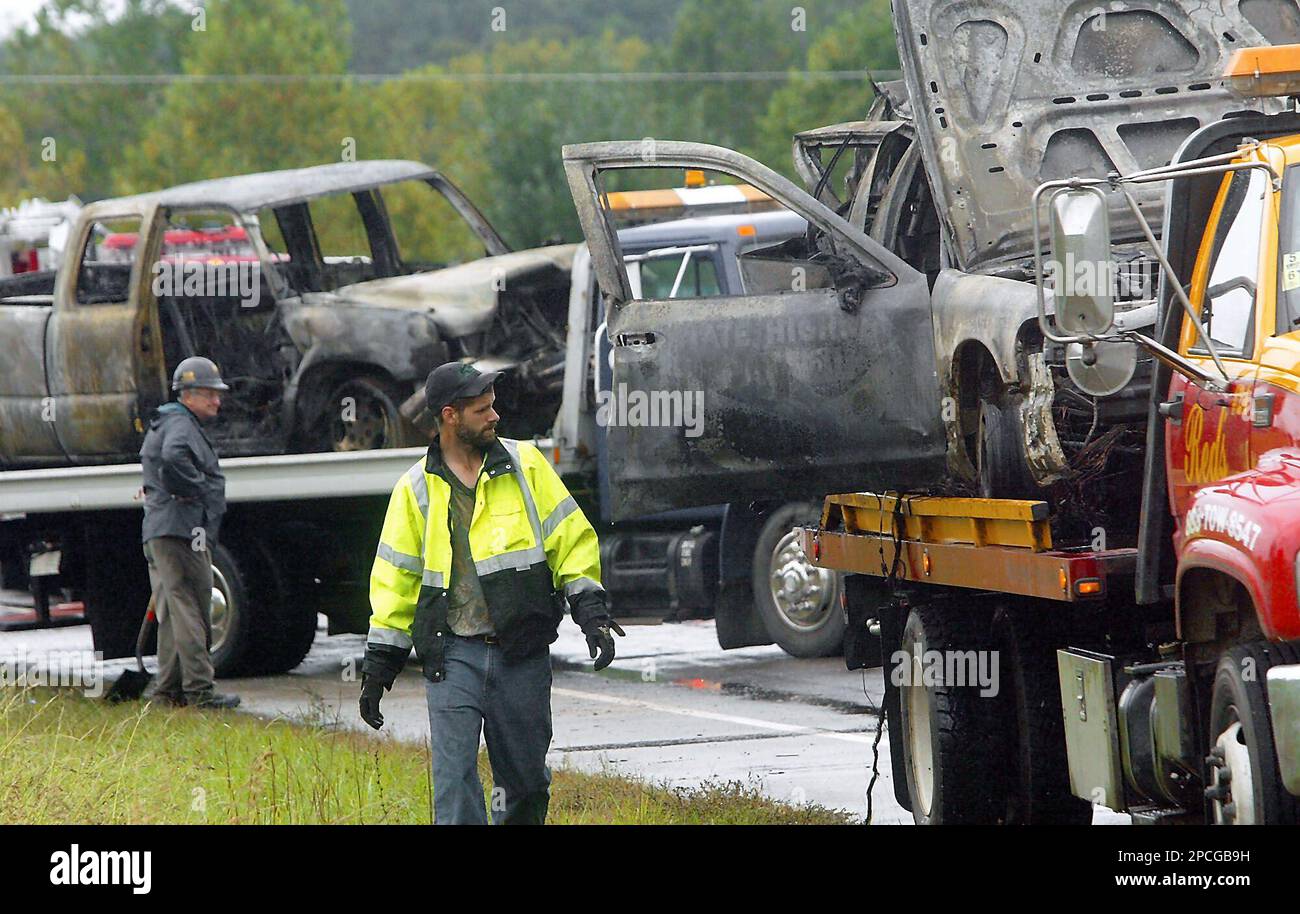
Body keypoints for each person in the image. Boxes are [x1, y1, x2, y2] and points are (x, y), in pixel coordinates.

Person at [360, 361, 624, 824]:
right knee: (455, 778)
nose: (494, 416)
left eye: (493, 406)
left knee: (525, 784)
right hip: (453, 655)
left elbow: (571, 539)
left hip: (520, 652)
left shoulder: (527, 466)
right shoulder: (415, 490)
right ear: (450, 416)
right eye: (482, 410)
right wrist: (379, 667)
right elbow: (395, 581)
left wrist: (592, 611)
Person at [139, 356, 240, 710]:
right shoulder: (180, 426)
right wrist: (195, 491)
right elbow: (173, 458)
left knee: (173, 607)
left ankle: (166, 690)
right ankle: (200, 690)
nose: (217, 400)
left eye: (217, 394)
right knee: (192, 607)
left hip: (165, 528)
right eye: (209, 394)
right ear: (188, 395)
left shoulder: (169, 421)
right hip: (181, 529)